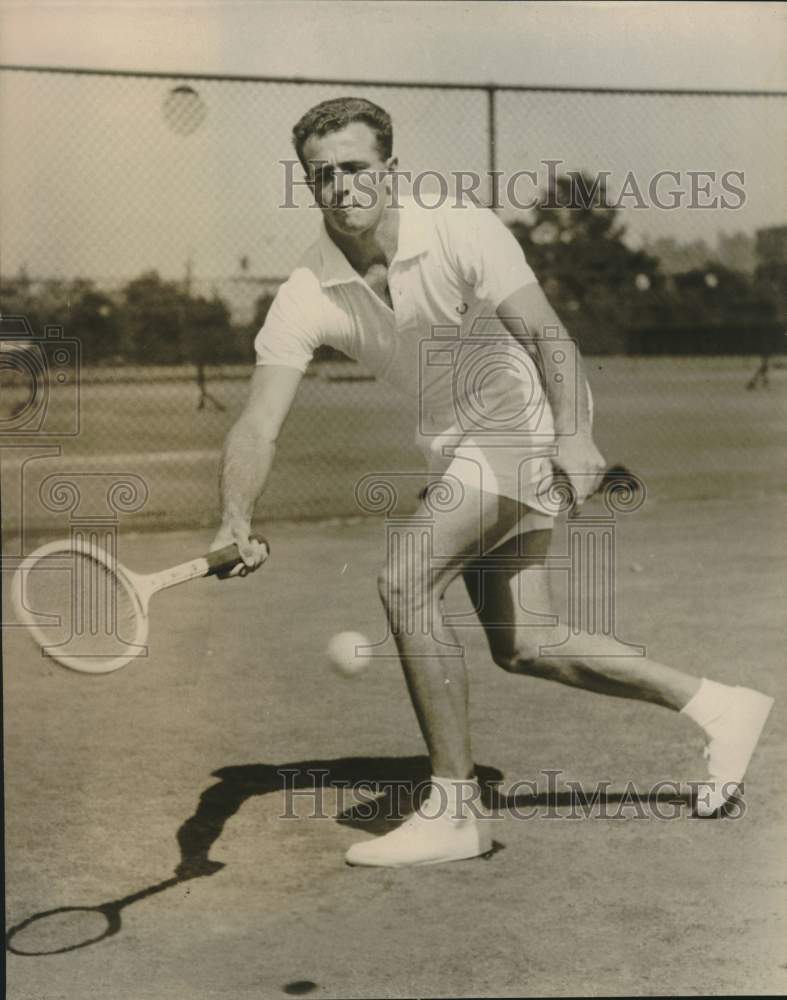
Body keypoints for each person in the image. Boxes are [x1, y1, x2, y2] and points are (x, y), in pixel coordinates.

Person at [212, 97, 773, 867]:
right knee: (525, 642)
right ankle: (720, 706)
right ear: (307, 184)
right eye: (322, 174)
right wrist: (233, 517)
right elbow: (257, 423)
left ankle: (454, 808)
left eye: (355, 168)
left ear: (389, 170)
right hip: (456, 451)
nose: (340, 186)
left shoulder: (458, 228)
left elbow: (547, 334)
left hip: (522, 423)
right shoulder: (306, 291)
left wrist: (574, 434)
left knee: (405, 579)